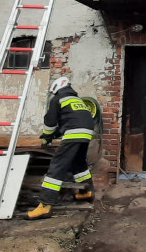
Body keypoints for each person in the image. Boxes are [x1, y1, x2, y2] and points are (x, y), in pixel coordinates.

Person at [26, 76, 95, 219]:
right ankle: (87, 191)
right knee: (79, 163)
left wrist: (46, 137)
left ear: (56, 88)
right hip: (86, 133)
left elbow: (50, 122)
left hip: (74, 133)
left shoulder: (57, 99)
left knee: (57, 166)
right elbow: (69, 122)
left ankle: (45, 205)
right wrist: (57, 133)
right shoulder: (77, 101)